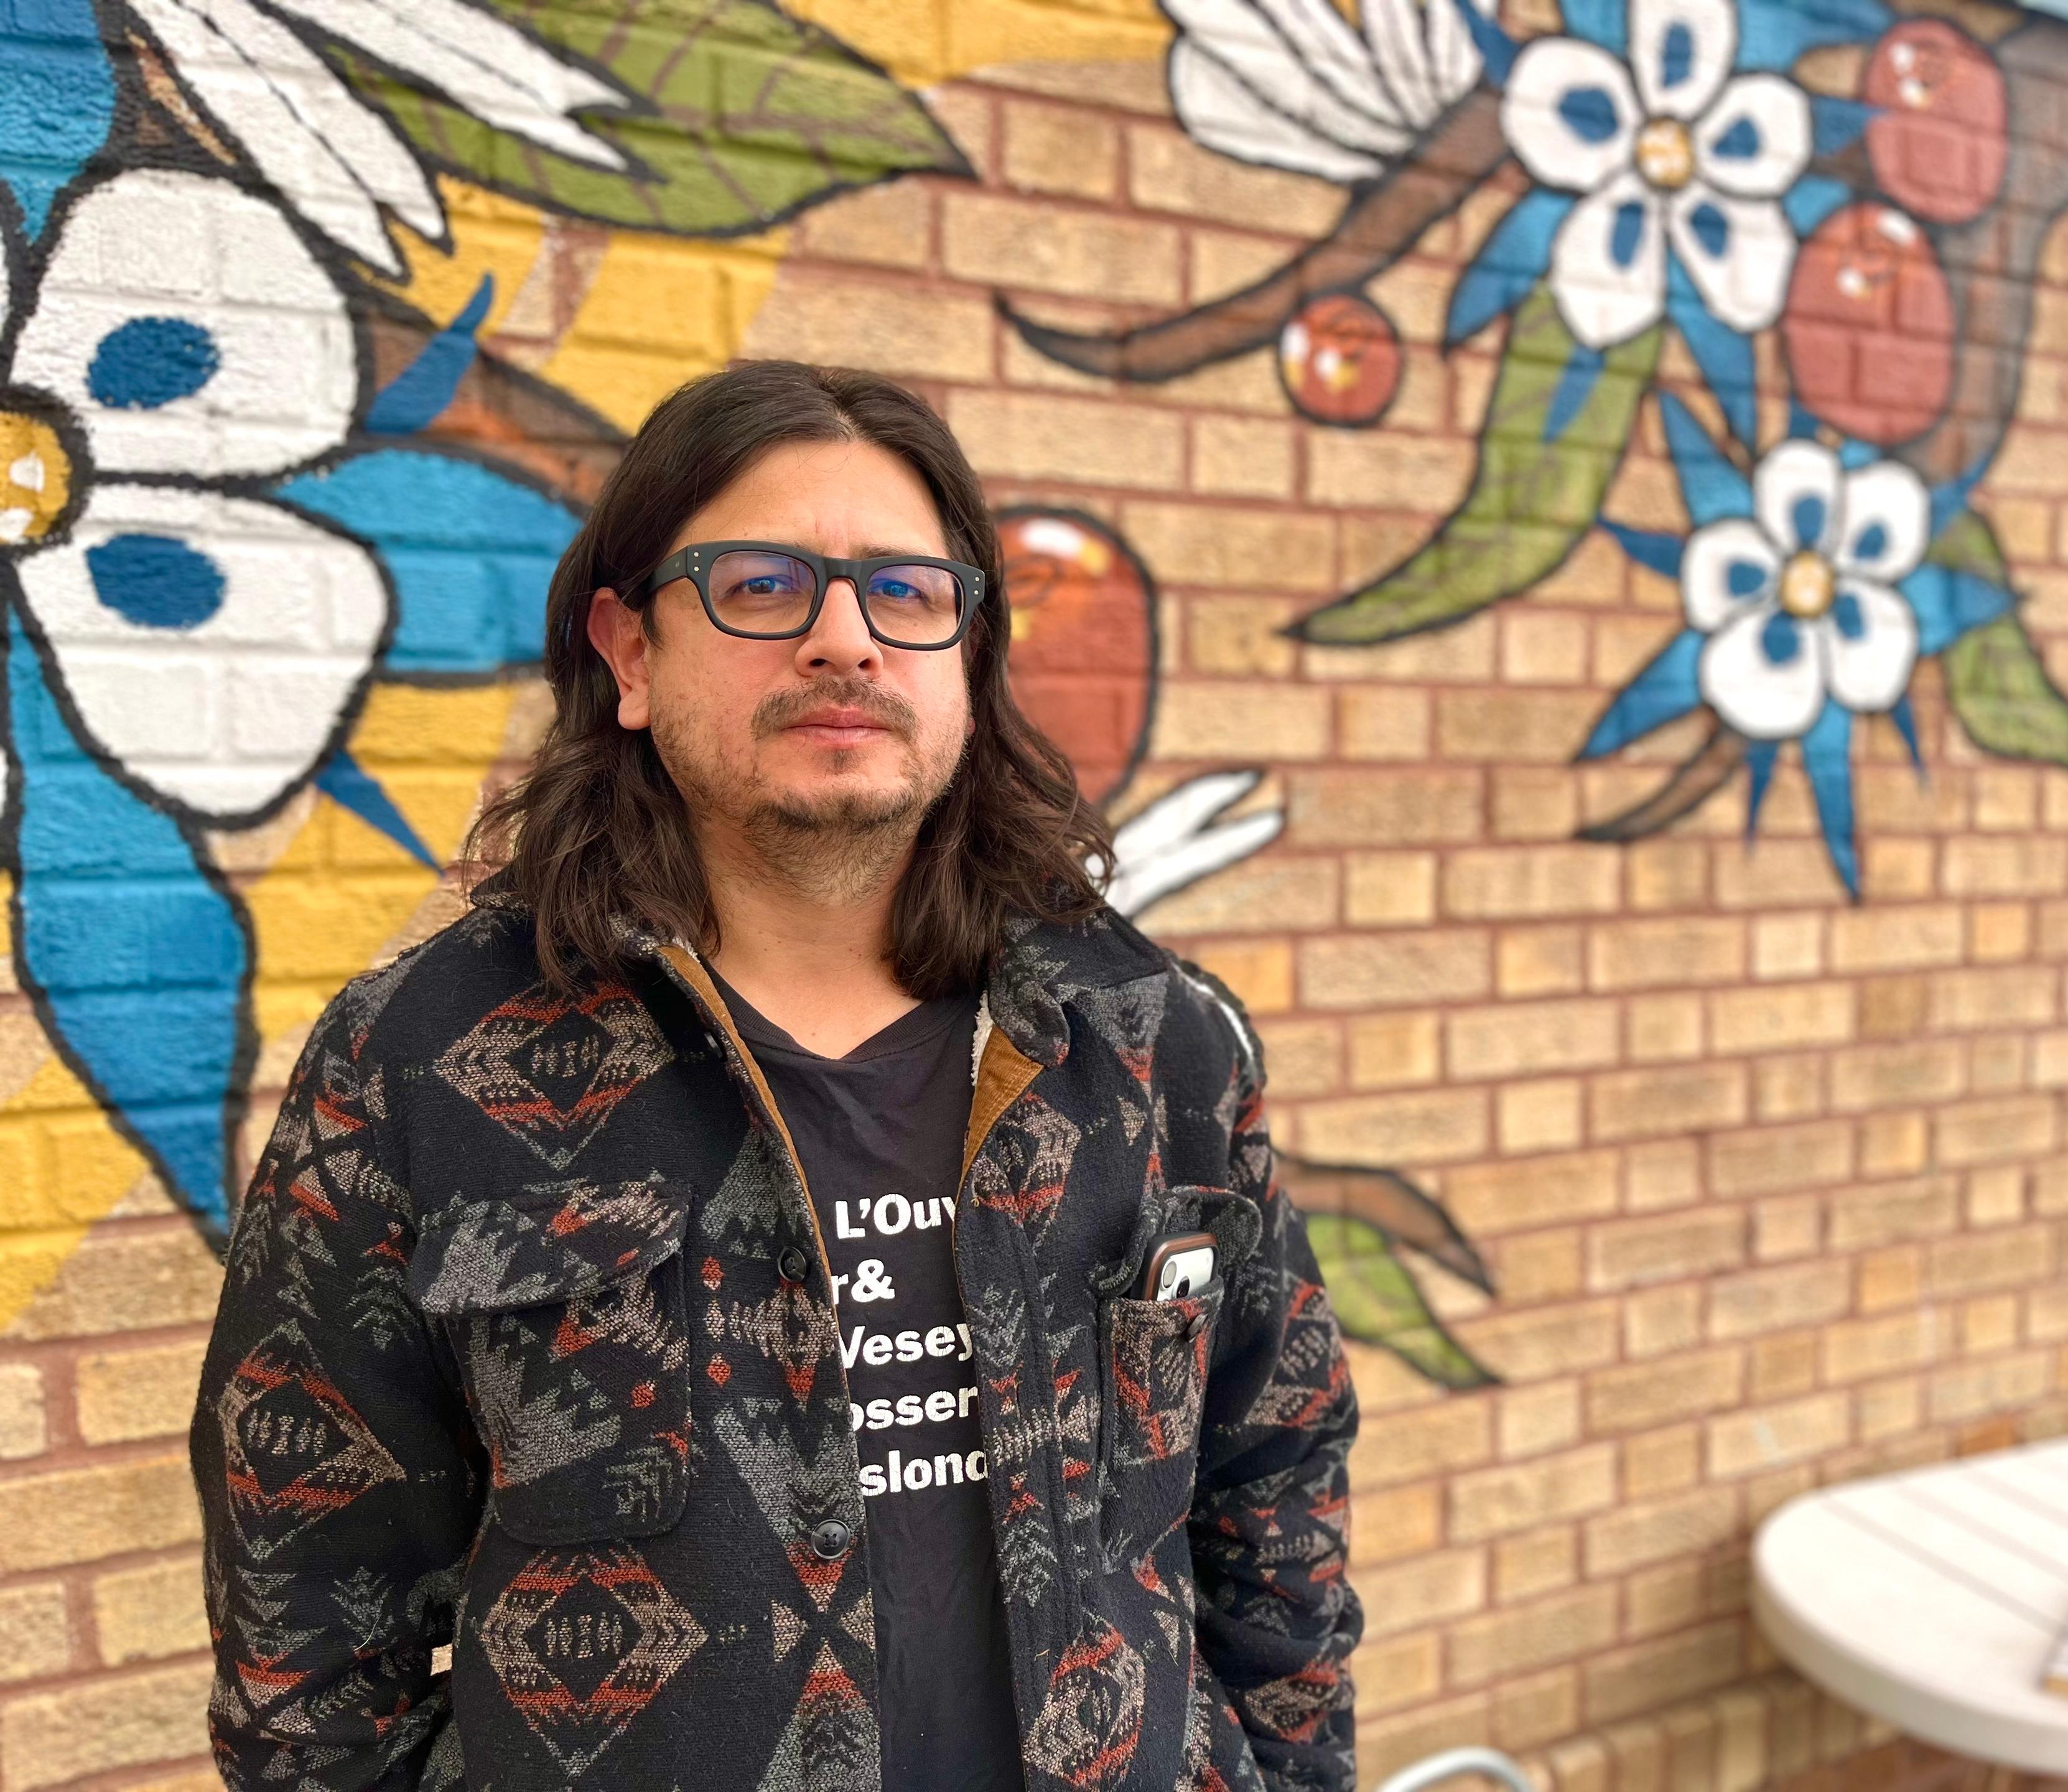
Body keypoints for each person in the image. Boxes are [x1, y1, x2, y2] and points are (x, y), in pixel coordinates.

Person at [187, 361, 1361, 1792]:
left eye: (906, 593)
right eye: (762, 586)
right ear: (629, 652)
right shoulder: (425, 1064)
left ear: (968, 660)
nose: (844, 641)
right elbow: (304, 1616)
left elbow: (1278, 1486)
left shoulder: (1152, 1045)